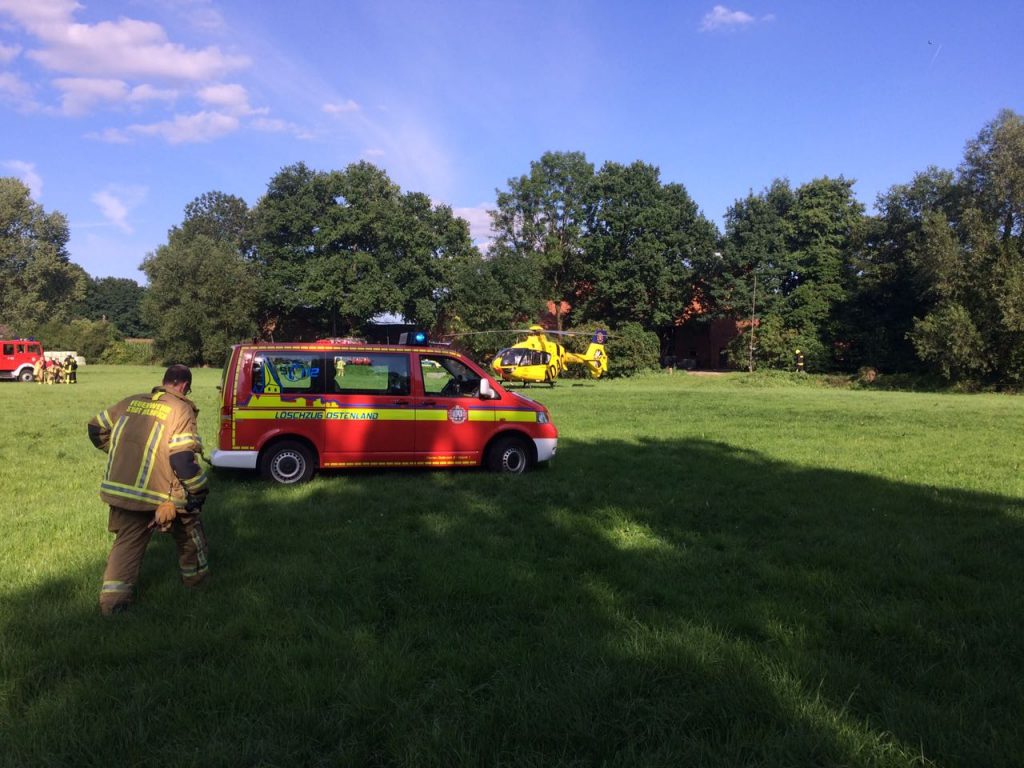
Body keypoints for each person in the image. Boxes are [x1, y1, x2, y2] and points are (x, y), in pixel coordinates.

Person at [87, 364, 209, 615]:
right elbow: (182, 460)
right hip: (163, 494)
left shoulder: (131, 402)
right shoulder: (180, 408)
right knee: (189, 535)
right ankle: (198, 586)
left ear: (164, 381)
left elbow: (95, 428)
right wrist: (198, 491)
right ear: (185, 386)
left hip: (124, 490)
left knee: (127, 544)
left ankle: (112, 605)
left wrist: (120, 453)